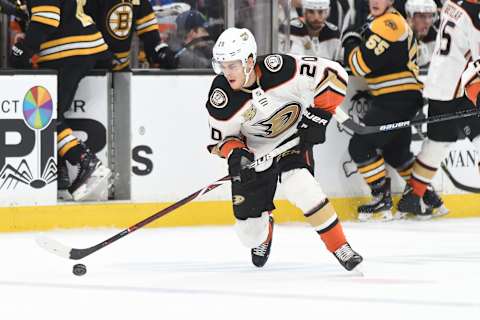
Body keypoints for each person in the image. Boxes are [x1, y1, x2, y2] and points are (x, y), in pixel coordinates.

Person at [206, 27, 363, 271]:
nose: (226, 73)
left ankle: (341, 246)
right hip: (256, 152)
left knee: (301, 186)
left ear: (249, 61)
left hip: (293, 139)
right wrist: (236, 155)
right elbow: (220, 142)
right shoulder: (221, 98)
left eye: (232, 65)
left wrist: (320, 115)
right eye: (222, 66)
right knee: (249, 235)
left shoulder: (280, 69)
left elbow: (335, 75)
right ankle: (265, 229)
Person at [342, 0, 445, 221]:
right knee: (396, 153)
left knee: (360, 147)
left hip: (395, 99)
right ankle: (426, 197)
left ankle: (381, 198)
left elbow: (359, 66)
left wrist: (350, 40)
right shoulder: (388, 21)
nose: (375, 1)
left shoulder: (387, 23)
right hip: (403, 98)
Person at [10, 0, 112, 201]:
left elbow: (47, 19)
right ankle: (60, 171)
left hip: (70, 50)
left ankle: (83, 159)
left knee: (45, 114)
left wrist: (24, 49)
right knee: (52, 112)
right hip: (80, 46)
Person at [397, 0, 480, 218]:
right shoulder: (475, 15)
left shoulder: (454, 2)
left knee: (438, 142)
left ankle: (413, 197)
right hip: (459, 88)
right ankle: (413, 196)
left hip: (438, 83)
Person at [85, 0, 173, 70]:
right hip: (90, 71)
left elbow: (148, 29)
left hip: (121, 69)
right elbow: (82, 25)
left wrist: (160, 50)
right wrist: (100, 54)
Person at [405, 0, 438, 69]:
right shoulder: (399, 40)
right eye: (421, 16)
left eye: (430, 16)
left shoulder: (436, 40)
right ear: (409, 17)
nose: (427, 21)